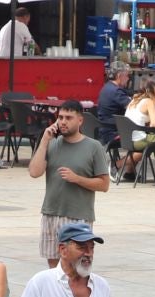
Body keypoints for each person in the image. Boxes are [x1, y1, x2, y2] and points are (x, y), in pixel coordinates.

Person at [28, 100, 111, 266]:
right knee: (53, 270)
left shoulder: (93, 147)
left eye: (68, 118)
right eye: (60, 117)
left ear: (80, 120)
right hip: (51, 213)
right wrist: (44, 140)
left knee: (77, 268)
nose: (63, 122)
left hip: (78, 217)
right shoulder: (51, 144)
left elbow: (104, 184)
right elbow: (34, 172)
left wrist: (77, 179)